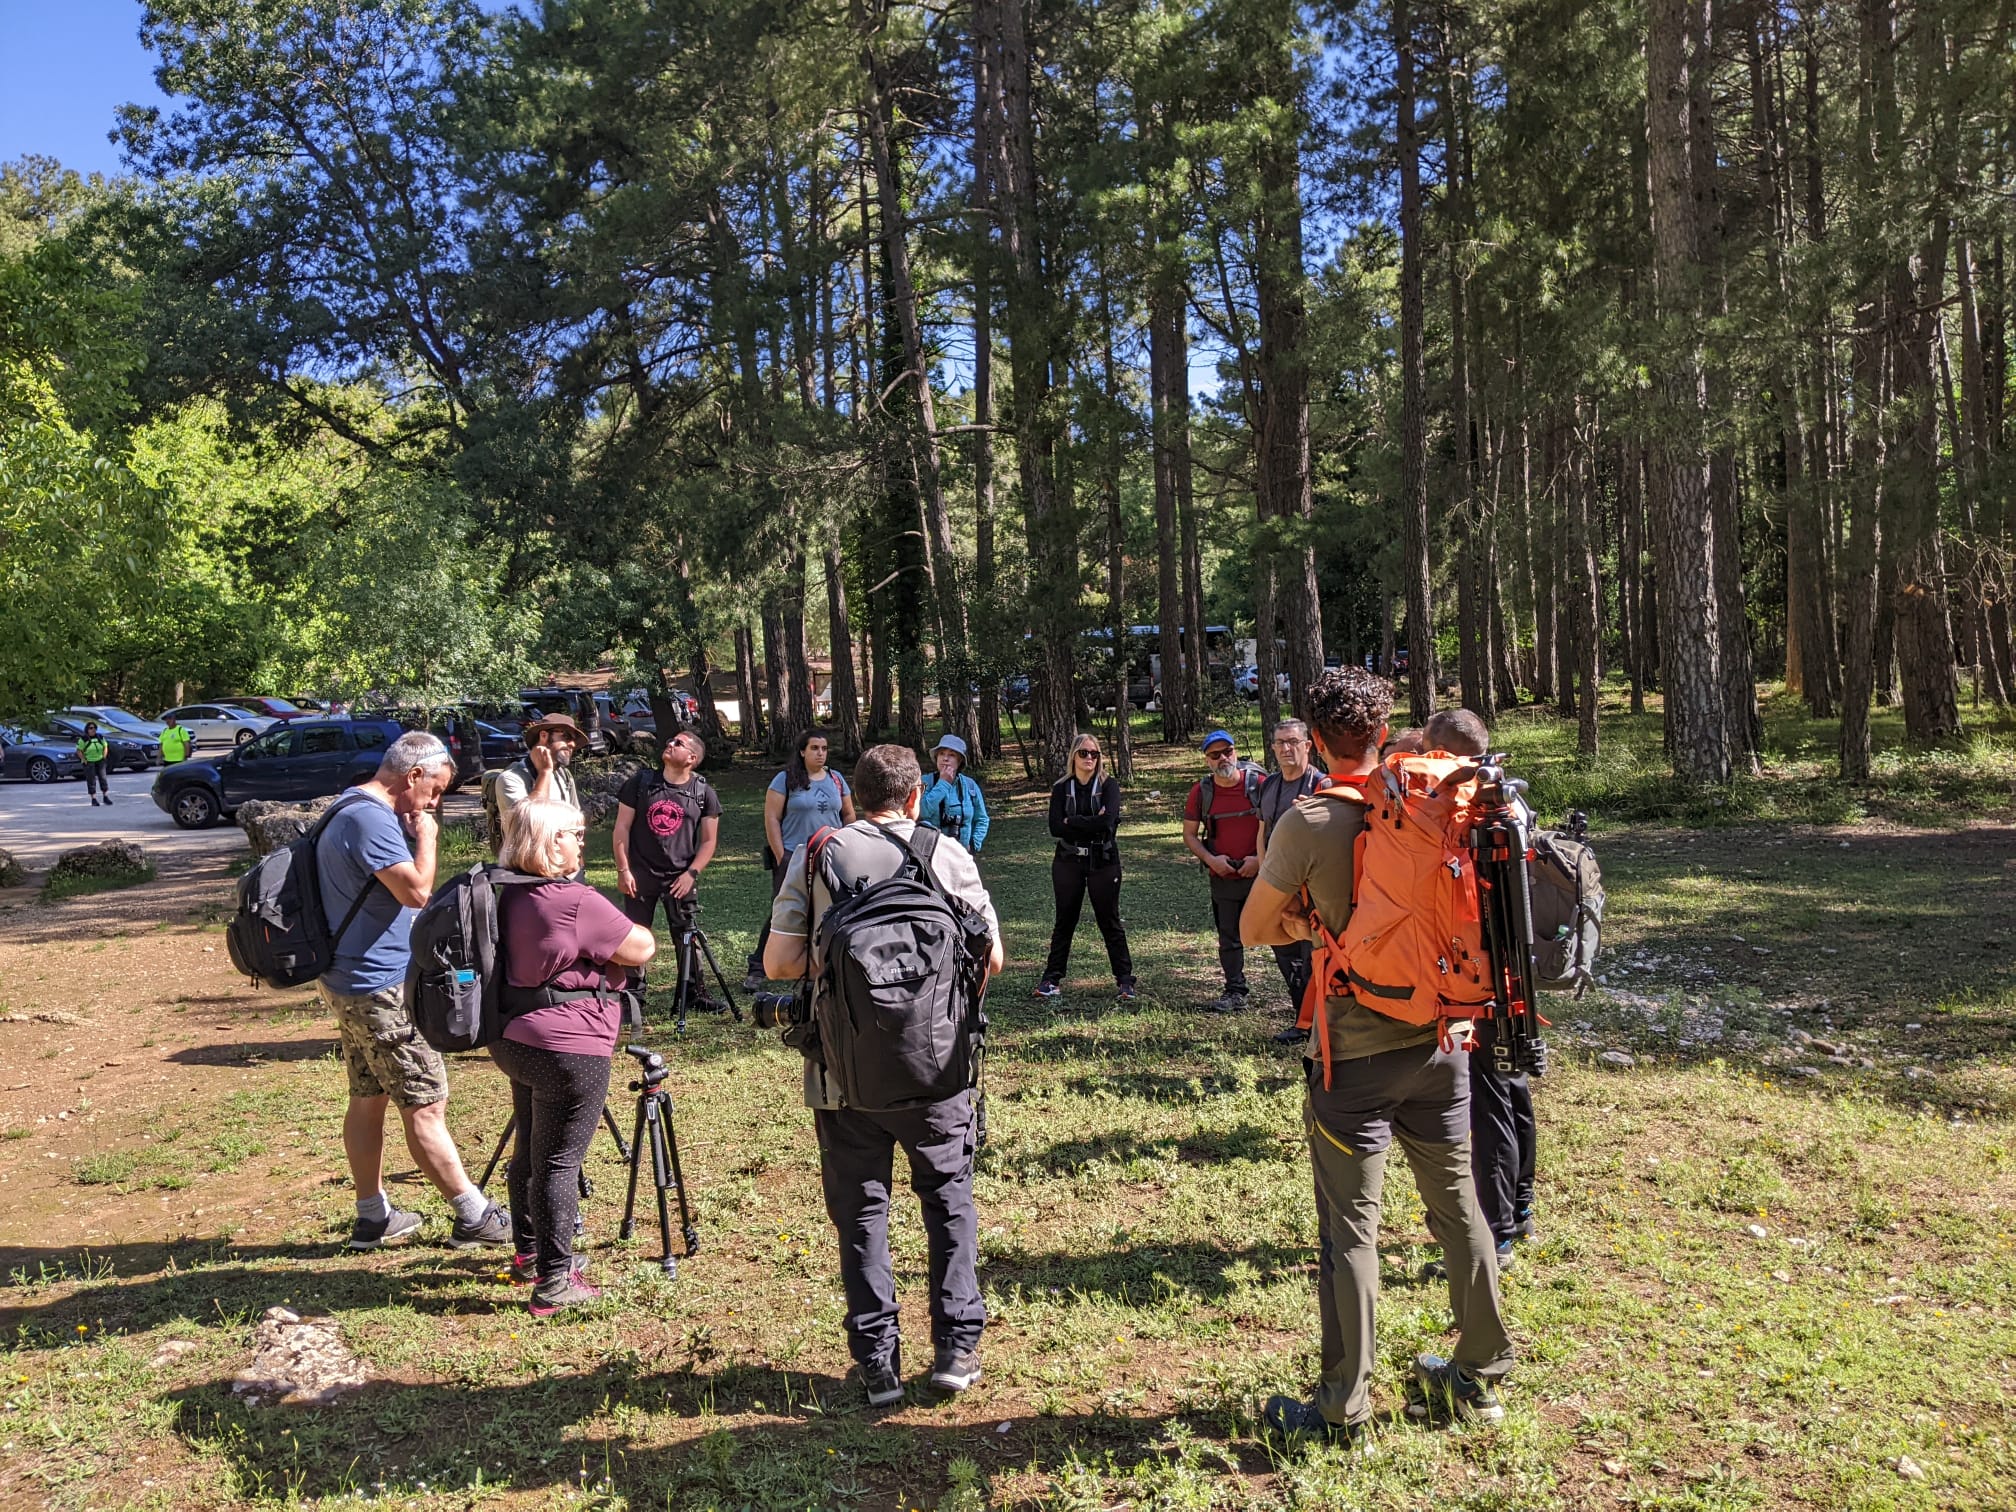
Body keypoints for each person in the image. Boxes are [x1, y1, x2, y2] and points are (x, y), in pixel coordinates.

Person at [1239, 668, 1514, 1440]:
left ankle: (1342, 1409)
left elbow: (1255, 929)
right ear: (1385, 726)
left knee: (1350, 1235)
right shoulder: (1440, 805)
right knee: (1459, 1211)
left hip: (1354, 1061)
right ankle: (1481, 1375)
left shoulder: (1312, 821)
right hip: (1442, 1042)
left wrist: (1312, 928)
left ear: (1317, 740)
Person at [763, 744, 1004, 1407]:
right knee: (949, 1203)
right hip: (940, 1071)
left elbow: (780, 963)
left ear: (855, 795)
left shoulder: (820, 854)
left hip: (843, 1075)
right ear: (915, 797)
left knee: (862, 1213)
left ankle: (877, 1366)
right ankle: (956, 1348)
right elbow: (995, 958)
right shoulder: (946, 852)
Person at [317, 730, 513, 1252]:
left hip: (348, 979)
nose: (434, 801)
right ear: (412, 776)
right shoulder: (372, 818)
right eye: (435, 790)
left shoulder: (347, 806)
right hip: (379, 986)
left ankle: (373, 1215)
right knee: (425, 1101)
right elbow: (417, 890)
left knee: (368, 1096)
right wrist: (426, 835)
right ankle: (474, 1215)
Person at [492, 797, 658, 1317]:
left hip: (513, 1037)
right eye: (573, 832)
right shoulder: (573, 900)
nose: (581, 841)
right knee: (559, 1164)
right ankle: (554, 1281)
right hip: (570, 1045)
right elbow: (641, 948)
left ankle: (529, 1252)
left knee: (530, 1149)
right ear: (547, 841)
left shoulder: (502, 890)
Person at [1418, 706, 1539, 1254]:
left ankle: (1497, 1231)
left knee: (1485, 1101)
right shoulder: (1511, 801)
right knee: (1512, 1090)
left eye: (1427, 752)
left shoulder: (1464, 812)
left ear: (1443, 754)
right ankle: (1521, 1204)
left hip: (1478, 979)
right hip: (1514, 973)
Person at [612, 728, 723, 1009]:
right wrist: (624, 870)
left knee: (687, 935)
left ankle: (695, 995)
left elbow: (709, 842)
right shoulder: (641, 783)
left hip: (679, 878)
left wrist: (691, 874)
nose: (670, 744)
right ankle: (631, 998)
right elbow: (622, 828)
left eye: (679, 743)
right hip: (640, 875)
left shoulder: (703, 793)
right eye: (671, 740)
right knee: (635, 935)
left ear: (692, 758)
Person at [746, 727, 855, 990]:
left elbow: (849, 814)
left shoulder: (837, 779)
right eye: (815, 748)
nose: (820, 753)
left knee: (830, 907)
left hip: (830, 856)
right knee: (783, 910)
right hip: (795, 855)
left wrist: (848, 841)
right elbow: (772, 818)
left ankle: (827, 963)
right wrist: (781, 855)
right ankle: (758, 967)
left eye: (824, 748)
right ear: (802, 751)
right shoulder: (784, 779)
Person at [1036, 732, 1136, 1002]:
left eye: (1095, 754)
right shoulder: (1061, 788)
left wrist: (1073, 822)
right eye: (1084, 753)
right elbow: (1055, 827)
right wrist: (1089, 820)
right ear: (1074, 756)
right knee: (1065, 920)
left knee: (1109, 920)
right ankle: (1051, 979)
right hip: (1068, 861)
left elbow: (1107, 823)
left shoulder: (1109, 786)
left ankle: (1125, 981)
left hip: (1103, 861)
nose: (1090, 758)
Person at [1255, 719, 1332, 1040]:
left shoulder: (1321, 785)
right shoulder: (1269, 785)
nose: (1286, 749)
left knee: (1314, 957)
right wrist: (1265, 878)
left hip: (1312, 890)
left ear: (1307, 746)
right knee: (1285, 953)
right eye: (1279, 743)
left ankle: (1320, 1025)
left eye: (1292, 742)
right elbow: (1262, 833)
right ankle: (1301, 1020)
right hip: (1277, 884)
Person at [1181, 730, 1263, 1013]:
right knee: (1228, 937)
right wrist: (1211, 860)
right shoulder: (1201, 792)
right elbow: (1190, 835)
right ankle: (1235, 991)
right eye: (1215, 755)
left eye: (1227, 751)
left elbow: (1281, 829)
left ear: (1236, 752)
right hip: (1223, 876)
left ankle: (1301, 993)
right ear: (1207, 761)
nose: (1223, 759)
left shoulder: (1260, 784)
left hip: (1264, 875)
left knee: (1285, 936)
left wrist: (1259, 860)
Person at [493, 712, 585, 821]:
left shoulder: (563, 776)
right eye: (566, 736)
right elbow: (531, 826)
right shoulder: (511, 779)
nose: (572, 744)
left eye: (574, 739)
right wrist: (544, 772)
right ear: (544, 736)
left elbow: (577, 819)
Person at [917, 735, 991, 857]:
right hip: (929, 855)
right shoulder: (924, 782)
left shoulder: (969, 785)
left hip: (961, 855)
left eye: (951, 755)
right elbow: (923, 811)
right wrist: (943, 784)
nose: (945, 758)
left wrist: (973, 845)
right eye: (941, 754)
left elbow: (982, 819)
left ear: (960, 760)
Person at [76, 722, 111, 807]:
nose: (93, 730)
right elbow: (79, 750)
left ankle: (105, 796)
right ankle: (94, 798)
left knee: (103, 778)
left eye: (94, 728)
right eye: (91, 728)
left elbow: (105, 746)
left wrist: (104, 756)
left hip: (100, 760)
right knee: (91, 780)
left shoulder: (100, 737)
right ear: (87, 729)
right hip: (89, 761)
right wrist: (84, 759)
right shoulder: (83, 739)